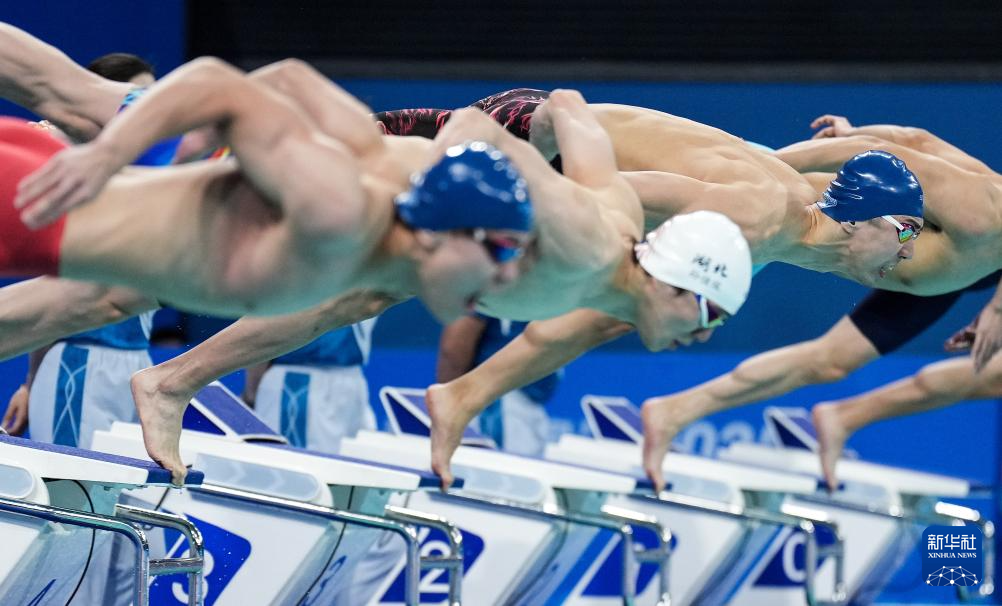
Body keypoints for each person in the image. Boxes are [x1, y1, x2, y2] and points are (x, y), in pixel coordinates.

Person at [638, 115, 1002, 491]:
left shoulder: (974, 248)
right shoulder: (980, 210)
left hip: (910, 271)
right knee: (654, 284)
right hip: (800, 216)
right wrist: (766, 167)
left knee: (832, 362)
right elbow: (895, 146)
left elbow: (917, 140)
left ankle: (674, 412)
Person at [247, 319, 379, 453]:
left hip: (315, 382)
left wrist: (251, 389)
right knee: (292, 460)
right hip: (303, 381)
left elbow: (264, 320)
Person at [437, 313, 561, 455]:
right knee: (497, 466)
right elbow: (453, 346)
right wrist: (453, 401)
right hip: (496, 403)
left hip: (525, 402)